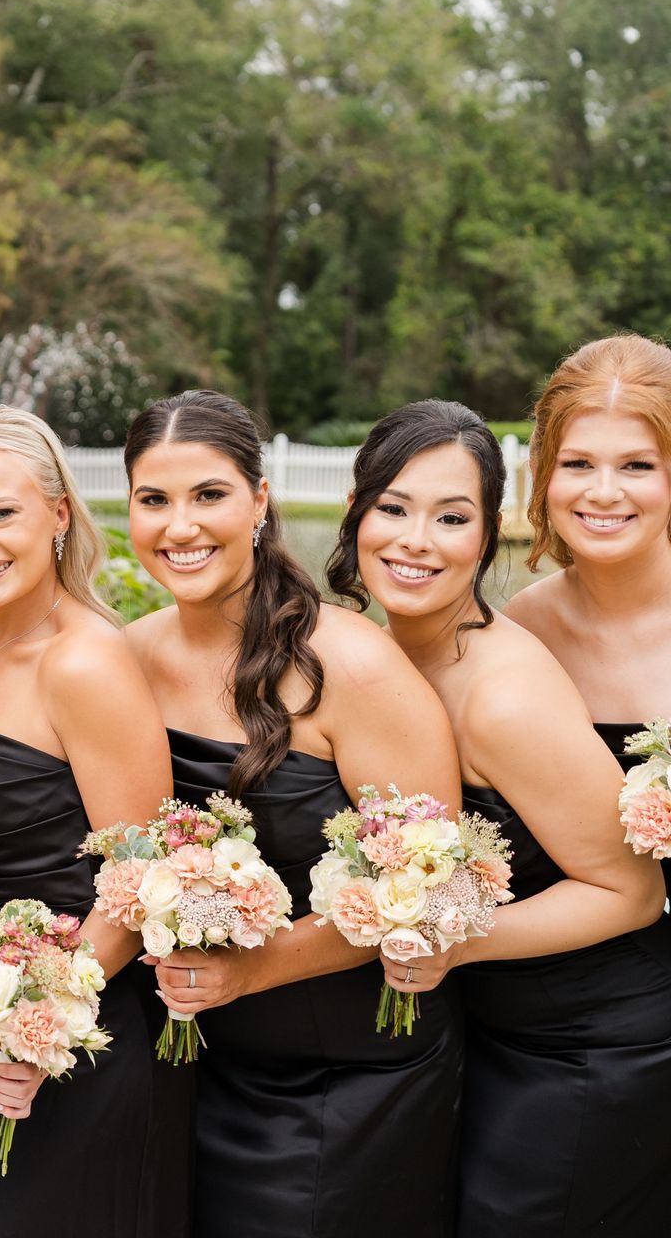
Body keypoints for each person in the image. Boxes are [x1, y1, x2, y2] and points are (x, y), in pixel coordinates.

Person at [121, 390, 462, 1238]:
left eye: (209, 495)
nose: (180, 526)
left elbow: (431, 887)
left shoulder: (351, 665)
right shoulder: (128, 656)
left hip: (344, 1081)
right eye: (154, 499)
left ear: (259, 501)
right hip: (193, 1065)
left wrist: (250, 971)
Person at [334, 399, 671, 1237]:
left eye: (452, 518)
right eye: (393, 508)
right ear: (356, 512)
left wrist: (448, 944)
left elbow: (630, 892)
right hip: (474, 1035)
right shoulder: (365, 655)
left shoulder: (504, 696)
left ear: (488, 536)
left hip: (585, 1047)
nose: (416, 541)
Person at [0, 407, 190, 1238]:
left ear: (59, 513)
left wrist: (36, 1030)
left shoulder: (84, 661)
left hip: (79, 1039)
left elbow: (137, 884)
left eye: (1, 514)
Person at [505, 334, 671, 893]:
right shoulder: (522, 631)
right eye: (577, 463)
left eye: (637, 465)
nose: (603, 492)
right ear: (542, 471)